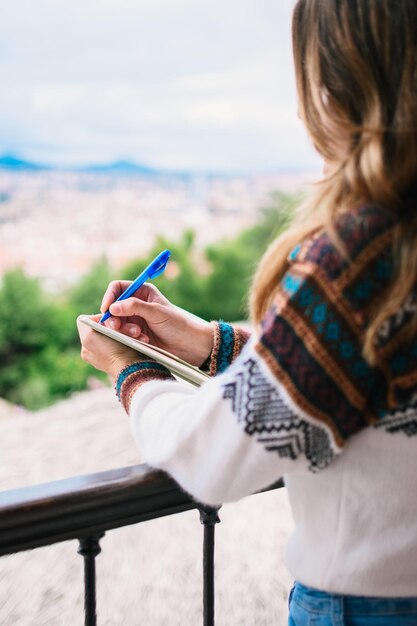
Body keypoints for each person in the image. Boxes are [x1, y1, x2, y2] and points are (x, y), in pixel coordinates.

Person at [77, 0, 417, 623]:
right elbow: (365, 371)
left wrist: (130, 370)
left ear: (339, 84)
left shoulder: (364, 254)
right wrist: (210, 342)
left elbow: (209, 458)